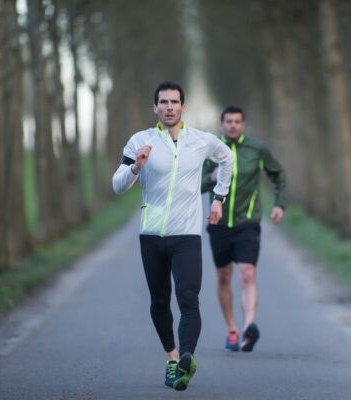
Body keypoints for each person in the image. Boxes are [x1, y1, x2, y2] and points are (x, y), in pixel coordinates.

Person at [112, 81, 233, 391]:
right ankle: (171, 356)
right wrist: (136, 167)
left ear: (183, 107)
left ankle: (186, 359)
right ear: (155, 108)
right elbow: (117, 185)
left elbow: (227, 158)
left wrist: (219, 197)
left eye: (174, 102)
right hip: (151, 235)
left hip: (187, 235)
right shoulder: (140, 141)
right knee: (160, 300)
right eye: (163, 102)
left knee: (188, 297)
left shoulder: (201, 141)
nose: (169, 107)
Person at [202, 105, 286, 352]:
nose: (233, 125)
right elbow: (194, 185)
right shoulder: (211, 150)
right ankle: (232, 328)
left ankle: (249, 327)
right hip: (218, 225)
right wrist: (210, 178)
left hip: (247, 224)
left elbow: (278, 174)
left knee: (247, 274)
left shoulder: (256, 149)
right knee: (224, 276)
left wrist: (279, 204)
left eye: (237, 121)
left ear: (243, 125)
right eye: (228, 121)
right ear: (221, 125)